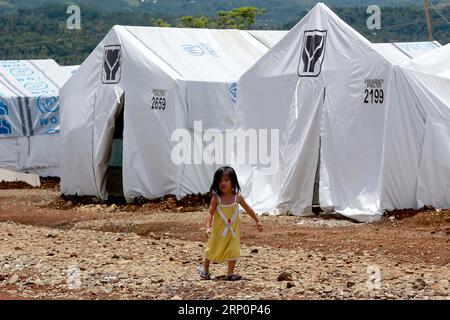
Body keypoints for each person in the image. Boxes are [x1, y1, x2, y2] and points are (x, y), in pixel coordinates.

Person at [198, 166, 263, 281]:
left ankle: (230, 273)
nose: (223, 183)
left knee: (234, 250)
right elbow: (210, 213)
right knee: (211, 249)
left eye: (226, 180)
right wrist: (207, 228)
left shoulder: (237, 197)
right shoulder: (216, 198)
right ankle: (205, 270)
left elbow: (248, 209)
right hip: (218, 232)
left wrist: (257, 220)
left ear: (233, 181)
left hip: (232, 232)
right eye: (220, 180)